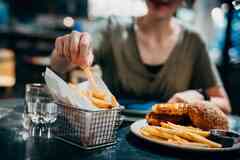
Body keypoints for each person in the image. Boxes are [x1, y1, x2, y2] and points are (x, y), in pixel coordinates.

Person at [51, 0, 231, 114]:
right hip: (108, 134)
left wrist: (199, 97)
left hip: (169, 141)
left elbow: (224, 104)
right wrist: (66, 50)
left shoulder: (193, 41)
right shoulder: (113, 29)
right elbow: (59, 66)